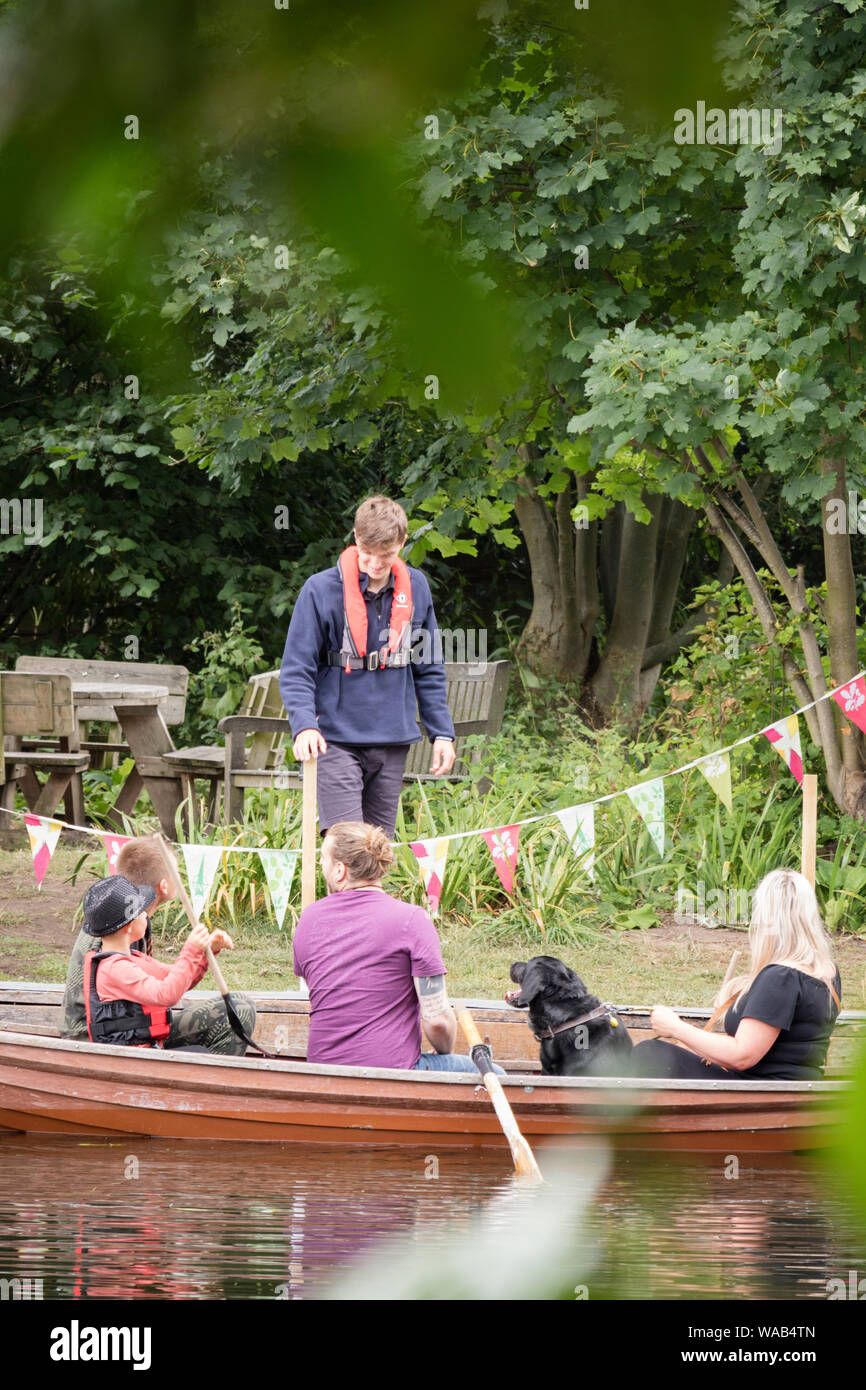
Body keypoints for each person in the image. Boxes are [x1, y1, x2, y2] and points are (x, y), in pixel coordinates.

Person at [279, 495, 457, 839]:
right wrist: (303, 726)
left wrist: (442, 733)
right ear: (356, 539)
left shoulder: (416, 587)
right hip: (333, 738)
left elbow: (429, 667)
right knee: (348, 844)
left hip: (392, 737)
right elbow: (297, 669)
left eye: (387, 555)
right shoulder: (319, 590)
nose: (376, 564)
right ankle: (341, 895)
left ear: (402, 543)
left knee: (378, 848)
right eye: (368, 553)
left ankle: (368, 896)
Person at [292, 820, 505, 1073]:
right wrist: (443, 1049)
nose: (321, 865)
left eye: (323, 860)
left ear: (340, 870)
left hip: (323, 1072)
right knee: (496, 1074)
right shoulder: (412, 919)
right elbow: (437, 1022)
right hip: (392, 1072)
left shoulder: (308, 918)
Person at [631, 868, 841, 1080]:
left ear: (765, 917)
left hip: (762, 1093)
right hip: (793, 1090)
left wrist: (676, 1028)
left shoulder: (780, 978)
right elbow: (782, 1045)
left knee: (651, 1053)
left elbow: (742, 1055)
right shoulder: (827, 973)